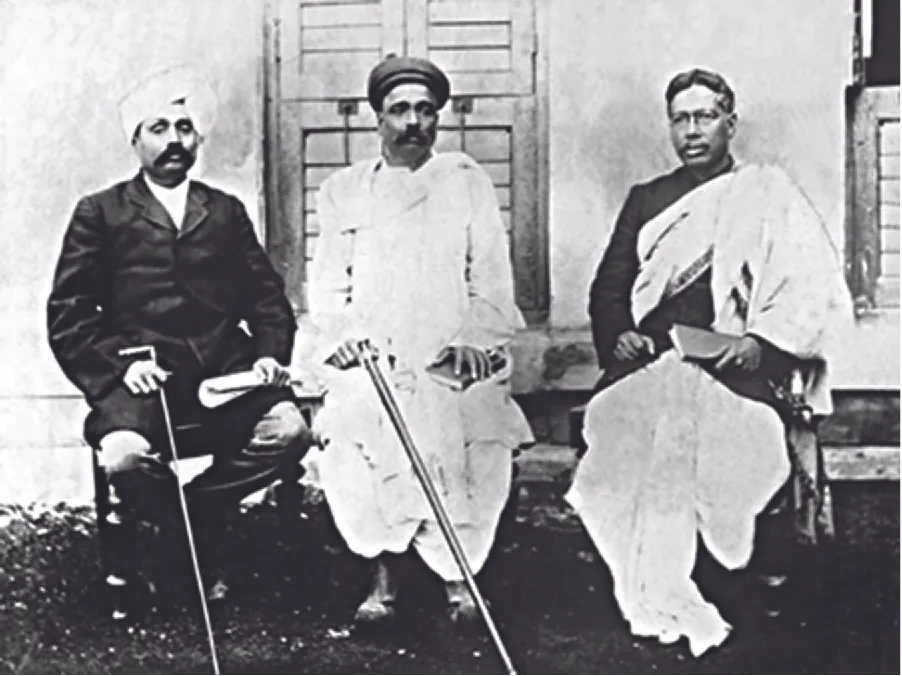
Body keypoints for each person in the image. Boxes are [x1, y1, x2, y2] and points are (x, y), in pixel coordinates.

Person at [567, 68, 850, 656]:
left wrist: (762, 342)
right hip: (654, 361)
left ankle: (739, 561)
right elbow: (610, 286)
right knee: (622, 432)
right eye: (680, 118)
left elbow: (808, 284)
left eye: (704, 117)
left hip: (739, 367)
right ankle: (650, 565)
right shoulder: (648, 198)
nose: (691, 131)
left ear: (730, 122)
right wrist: (620, 334)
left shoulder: (768, 192)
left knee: (744, 437)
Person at [47, 65, 313, 602]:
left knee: (290, 433)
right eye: (160, 128)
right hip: (141, 382)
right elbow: (69, 313)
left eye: (185, 128)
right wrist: (123, 365)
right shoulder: (101, 211)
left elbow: (267, 301)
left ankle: (188, 520)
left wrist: (267, 356)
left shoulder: (225, 210)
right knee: (122, 455)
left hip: (224, 374)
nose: (174, 140)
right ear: (136, 140)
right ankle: (191, 538)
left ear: (198, 139)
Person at [306, 55, 534, 624]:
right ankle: (382, 578)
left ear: (439, 119)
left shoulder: (465, 182)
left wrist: (473, 342)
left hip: (449, 349)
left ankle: (460, 575)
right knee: (359, 423)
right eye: (399, 110)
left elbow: (491, 282)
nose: (413, 122)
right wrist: (350, 340)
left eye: (425, 110)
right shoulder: (344, 190)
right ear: (376, 118)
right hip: (370, 353)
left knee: (470, 423)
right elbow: (330, 291)